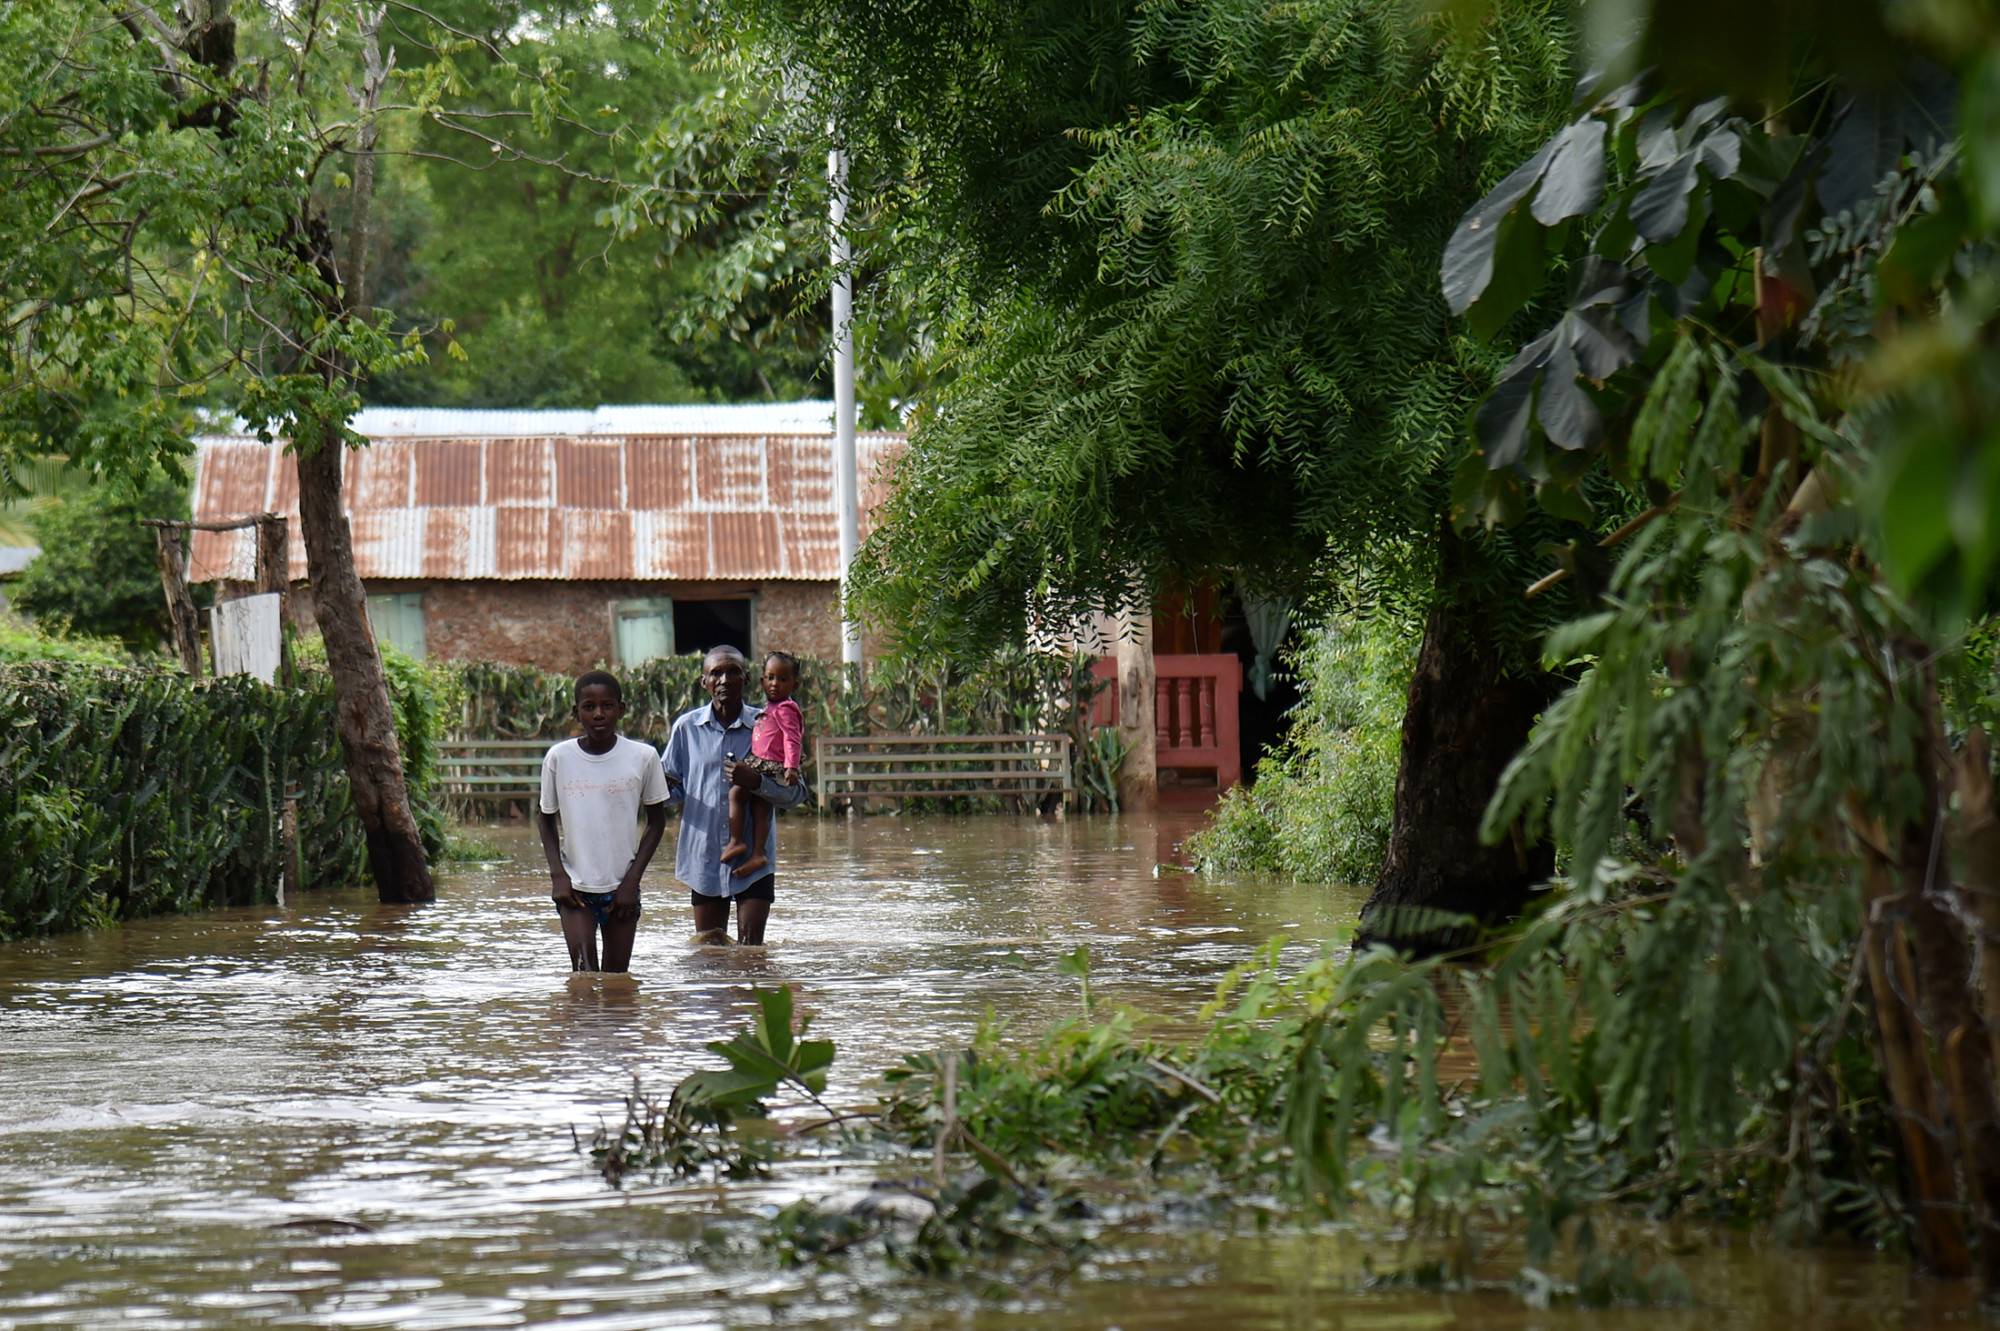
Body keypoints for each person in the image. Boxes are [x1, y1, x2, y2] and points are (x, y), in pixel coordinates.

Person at [661, 646, 809, 944]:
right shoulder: (686, 729)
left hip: (755, 860)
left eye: (733, 672)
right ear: (705, 682)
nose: (724, 680)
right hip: (704, 857)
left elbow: (796, 795)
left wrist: (756, 782)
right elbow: (674, 790)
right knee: (709, 950)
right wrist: (645, 790)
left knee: (751, 952)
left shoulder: (768, 724)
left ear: (747, 678)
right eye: (716, 673)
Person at [537, 670, 670, 972]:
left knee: (616, 981)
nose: (599, 714)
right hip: (575, 886)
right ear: (576, 712)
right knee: (584, 976)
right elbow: (545, 818)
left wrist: (632, 880)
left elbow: (657, 822)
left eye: (607, 706)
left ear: (620, 709)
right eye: (589, 707)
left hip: (622, 885)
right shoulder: (559, 758)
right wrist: (558, 875)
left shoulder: (643, 757)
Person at [718, 651, 804, 880]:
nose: (775, 684)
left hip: (768, 765)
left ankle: (736, 840)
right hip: (763, 762)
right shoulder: (770, 709)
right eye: (771, 678)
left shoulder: (786, 708)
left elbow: (792, 738)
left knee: (736, 793)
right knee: (760, 807)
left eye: (783, 680)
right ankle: (757, 853)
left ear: (794, 685)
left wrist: (791, 767)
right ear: (762, 681)